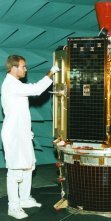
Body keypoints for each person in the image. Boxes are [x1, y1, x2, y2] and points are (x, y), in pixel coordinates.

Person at [1, 55, 59, 219]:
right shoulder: (11, 85)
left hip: (23, 133)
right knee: (14, 172)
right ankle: (13, 207)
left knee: (28, 167)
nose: (26, 69)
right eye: (23, 66)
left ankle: (25, 199)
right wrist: (51, 73)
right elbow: (36, 89)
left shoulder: (16, 84)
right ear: (14, 68)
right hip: (13, 135)